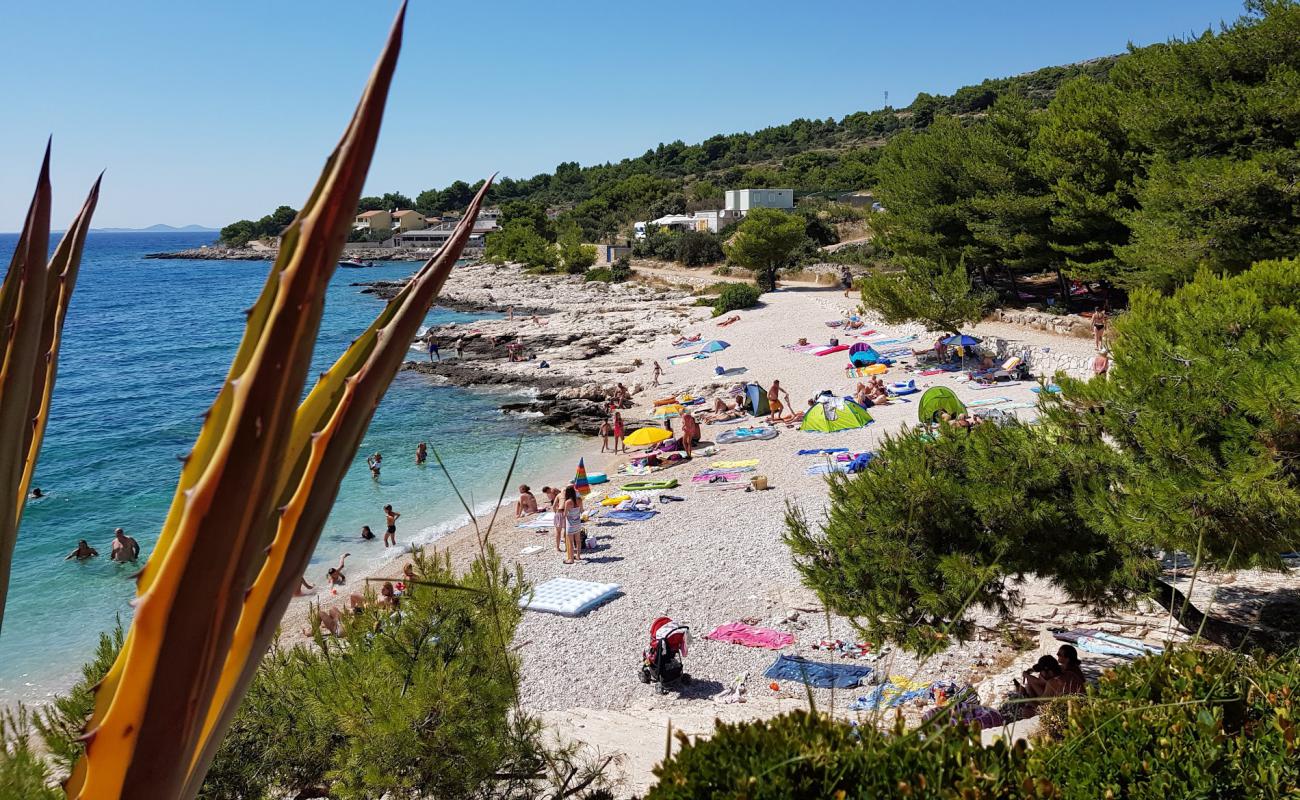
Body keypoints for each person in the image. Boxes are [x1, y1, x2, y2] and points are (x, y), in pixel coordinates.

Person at [561, 484, 585, 564]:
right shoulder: (579, 500)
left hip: (570, 524)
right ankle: (578, 556)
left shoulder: (568, 502)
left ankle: (571, 559)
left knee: (570, 542)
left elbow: (565, 514)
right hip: (578, 522)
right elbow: (582, 510)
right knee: (578, 540)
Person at [550, 486, 566, 554]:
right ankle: (567, 547)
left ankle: (557, 547)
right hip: (566, 513)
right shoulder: (569, 495)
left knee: (558, 531)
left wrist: (555, 513)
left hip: (559, 512)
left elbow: (553, 506)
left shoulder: (559, 495)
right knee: (566, 530)